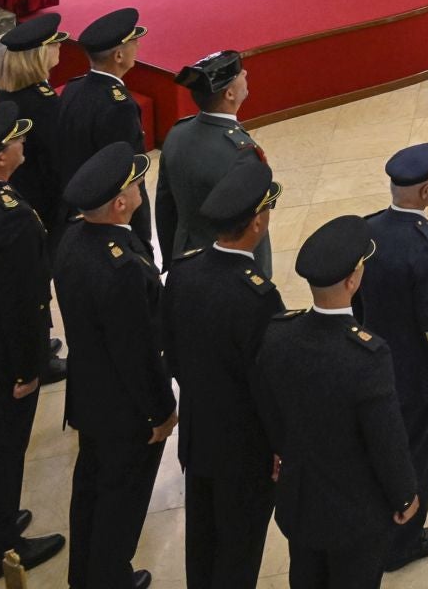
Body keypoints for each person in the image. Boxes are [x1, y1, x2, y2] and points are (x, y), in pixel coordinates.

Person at [255, 215, 419, 589]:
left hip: (301, 502)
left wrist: (281, 449)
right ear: (353, 280)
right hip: (355, 514)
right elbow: (385, 440)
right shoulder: (367, 356)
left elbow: (269, 404)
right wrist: (405, 494)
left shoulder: (280, 334)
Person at [55, 141, 175, 589]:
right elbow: (138, 351)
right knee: (121, 502)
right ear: (121, 203)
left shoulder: (73, 239)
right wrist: (160, 412)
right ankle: (109, 579)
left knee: (90, 490)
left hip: (89, 396)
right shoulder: (121, 267)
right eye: (135, 183)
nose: (141, 185)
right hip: (125, 409)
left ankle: (84, 576)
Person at [159, 158, 281, 589]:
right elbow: (266, 386)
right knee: (239, 550)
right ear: (256, 225)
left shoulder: (183, 272)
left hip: (199, 436)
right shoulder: (259, 297)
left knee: (203, 546)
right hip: (245, 451)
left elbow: (171, 352)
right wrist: (279, 446)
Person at [0, 104, 65, 583]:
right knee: (2, 455)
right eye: (16, 140)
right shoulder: (9, 219)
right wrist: (29, 370)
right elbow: (22, 306)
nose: (22, 144)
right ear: (0, 159)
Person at [356, 144, 428, 572]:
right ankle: (403, 540)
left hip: (373, 362)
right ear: (425, 191)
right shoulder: (424, 245)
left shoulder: (368, 230)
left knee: (382, 449)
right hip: (416, 374)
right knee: (418, 452)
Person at [157, 49, 270, 275]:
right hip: (228, 268)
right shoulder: (242, 153)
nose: (246, 73)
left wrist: (172, 261)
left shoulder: (177, 134)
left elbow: (165, 207)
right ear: (229, 94)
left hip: (185, 258)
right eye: (240, 74)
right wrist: (261, 274)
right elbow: (253, 225)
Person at [60, 8, 154, 259]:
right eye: (133, 42)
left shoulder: (74, 89)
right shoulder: (118, 106)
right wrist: (142, 236)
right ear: (119, 55)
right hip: (113, 218)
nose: (138, 46)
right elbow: (127, 174)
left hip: (81, 209)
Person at [0, 15, 66, 233]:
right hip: (43, 202)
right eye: (53, 43)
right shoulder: (43, 102)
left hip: (11, 192)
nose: (60, 45)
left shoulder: (3, 92)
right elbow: (55, 159)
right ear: (39, 55)